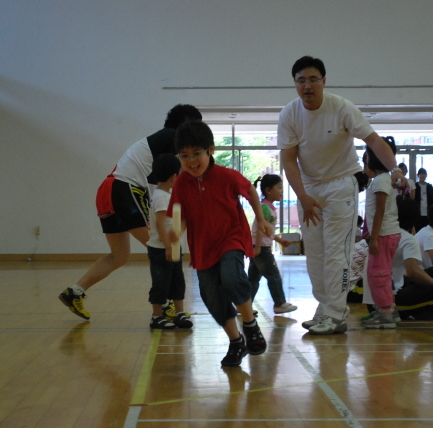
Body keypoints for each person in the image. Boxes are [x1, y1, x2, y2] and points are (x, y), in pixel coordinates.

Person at [277, 56, 406, 335]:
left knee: (336, 252)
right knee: (315, 255)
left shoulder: (342, 107)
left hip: (341, 186)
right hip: (309, 190)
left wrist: (395, 169)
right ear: (295, 84)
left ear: (323, 81)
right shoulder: (289, 114)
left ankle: (336, 314)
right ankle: (325, 308)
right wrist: (302, 196)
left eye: (313, 79)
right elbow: (288, 160)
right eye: (301, 81)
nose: (307, 86)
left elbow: (373, 140)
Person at [59, 104, 202, 320]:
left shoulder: (161, 145)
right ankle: (165, 306)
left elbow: (165, 184)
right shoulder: (171, 136)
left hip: (108, 190)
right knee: (163, 249)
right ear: (186, 124)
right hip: (124, 190)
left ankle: (75, 292)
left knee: (120, 256)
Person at [167, 120, 273, 366]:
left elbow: (250, 190)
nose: (191, 161)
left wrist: (260, 218)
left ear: (210, 150)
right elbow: (180, 215)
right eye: (184, 156)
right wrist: (176, 233)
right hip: (202, 247)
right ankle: (236, 342)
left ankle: (250, 325)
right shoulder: (181, 183)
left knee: (232, 277)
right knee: (211, 296)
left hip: (230, 238)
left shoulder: (226, 176)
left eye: (196, 154)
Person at [146, 154, 192, 329]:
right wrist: (167, 247)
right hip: (161, 249)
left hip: (173, 247)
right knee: (160, 283)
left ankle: (180, 313)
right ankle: (156, 316)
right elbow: (160, 224)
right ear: (174, 176)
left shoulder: (169, 194)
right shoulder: (161, 197)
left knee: (177, 281)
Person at [361, 137, 401, 329]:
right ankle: (387, 309)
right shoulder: (382, 180)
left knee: (378, 274)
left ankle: (386, 313)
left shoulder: (380, 181)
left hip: (384, 235)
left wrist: (375, 238)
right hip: (385, 234)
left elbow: (380, 211)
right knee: (380, 273)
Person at [248, 174, 297, 314]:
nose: (282, 191)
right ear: (269, 190)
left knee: (252, 279)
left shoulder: (267, 207)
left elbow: (267, 231)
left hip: (258, 247)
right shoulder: (264, 208)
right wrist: (258, 247)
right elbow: (260, 229)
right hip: (261, 249)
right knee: (273, 275)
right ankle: (279, 304)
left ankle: (244, 306)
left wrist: (280, 240)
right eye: (279, 187)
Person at [392, 197, 433, 321]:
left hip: (382, 293)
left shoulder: (385, 234)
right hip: (392, 299)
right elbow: (413, 273)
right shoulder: (408, 239)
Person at [414, 168, 433, 232]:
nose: (422, 175)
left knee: (427, 231)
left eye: (424, 174)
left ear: (426, 175)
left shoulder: (430, 187)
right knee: (418, 231)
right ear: (418, 175)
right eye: (421, 174)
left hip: (428, 213)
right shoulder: (415, 186)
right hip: (418, 213)